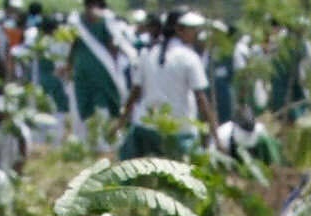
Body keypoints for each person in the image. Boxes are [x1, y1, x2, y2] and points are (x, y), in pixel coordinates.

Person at [125, 10, 211, 159]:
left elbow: (135, 93)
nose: (196, 33)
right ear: (179, 30)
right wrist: (213, 136)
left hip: (147, 129)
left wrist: (121, 121)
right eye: (192, 29)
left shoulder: (147, 53)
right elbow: (201, 99)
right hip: (179, 132)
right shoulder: (189, 57)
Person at [69, 0, 133, 142]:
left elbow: (72, 47)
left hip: (83, 68)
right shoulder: (105, 19)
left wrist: (69, 67)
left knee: (87, 104)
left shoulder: (77, 21)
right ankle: (104, 140)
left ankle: (90, 140)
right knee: (103, 101)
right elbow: (113, 45)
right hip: (102, 70)